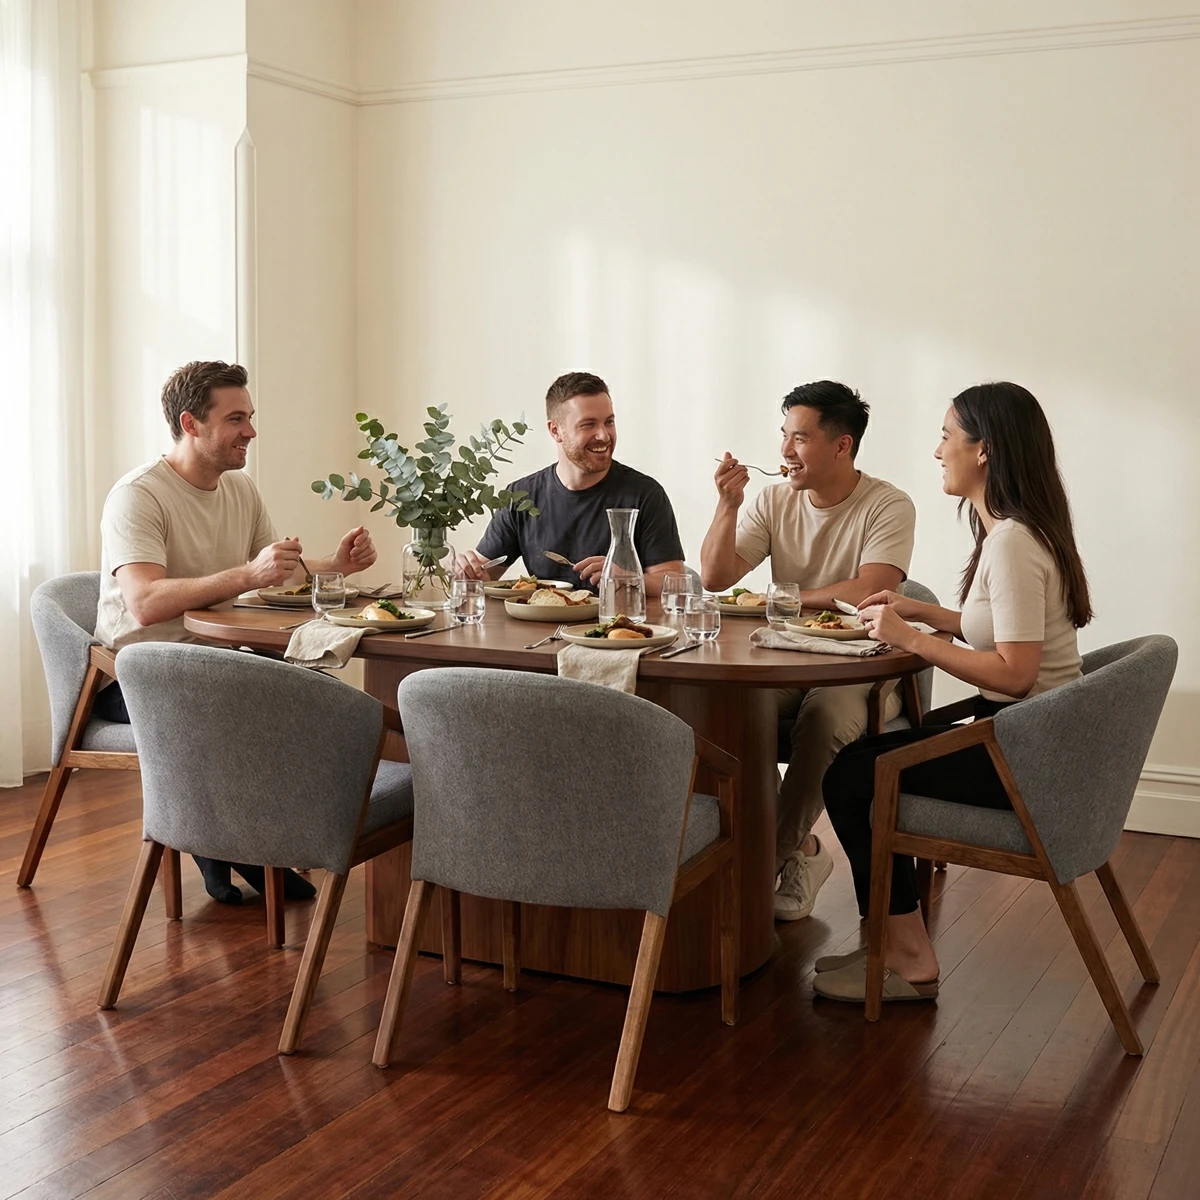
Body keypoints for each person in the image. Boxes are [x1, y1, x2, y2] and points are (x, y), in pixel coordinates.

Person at [814, 381, 1091, 1004]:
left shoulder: (1012, 542)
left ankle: (908, 956)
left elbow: (1015, 674)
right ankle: (888, 942)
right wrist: (921, 611)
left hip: (1026, 757)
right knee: (858, 762)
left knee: (851, 778)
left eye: (946, 436)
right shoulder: (1020, 532)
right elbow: (1004, 631)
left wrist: (908, 637)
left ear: (983, 450)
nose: (938, 451)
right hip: (1033, 738)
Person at [94, 360, 378, 905]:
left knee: (319, 699)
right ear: (191, 423)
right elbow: (145, 603)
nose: (251, 430)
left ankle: (249, 842)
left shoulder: (240, 489)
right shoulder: (138, 495)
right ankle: (242, 849)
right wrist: (247, 575)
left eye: (249, 416)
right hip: (140, 676)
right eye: (236, 419)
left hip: (220, 659)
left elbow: (274, 573)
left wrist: (334, 565)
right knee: (255, 711)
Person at [700, 381, 916, 922]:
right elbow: (716, 577)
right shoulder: (775, 500)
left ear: (842, 446)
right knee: (720, 709)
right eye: (784, 436)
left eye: (799, 438)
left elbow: (872, 588)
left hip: (862, 667)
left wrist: (783, 597)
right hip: (787, 659)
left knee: (824, 719)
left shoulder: (888, 504)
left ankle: (757, 867)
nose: (785, 451)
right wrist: (728, 505)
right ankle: (805, 851)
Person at [453, 372, 685, 591]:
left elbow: (674, 582)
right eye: (588, 425)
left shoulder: (645, 494)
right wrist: (467, 571)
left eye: (609, 422)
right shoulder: (521, 496)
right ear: (556, 431)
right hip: (543, 620)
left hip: (618, 620)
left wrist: (626, 578)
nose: (604, 435)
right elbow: (485, 574)